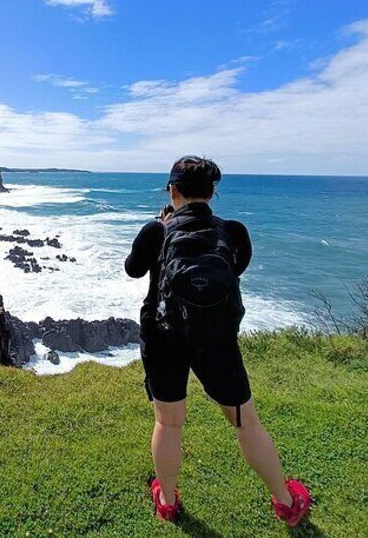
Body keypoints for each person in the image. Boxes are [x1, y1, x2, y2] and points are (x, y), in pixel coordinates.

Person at [124, 156, 311, 526]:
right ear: (212, 193)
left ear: (172, 190)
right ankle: (286, 501)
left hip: (164, 337)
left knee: (169, 423)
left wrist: (161, 229)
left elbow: (133, 269)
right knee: (247, 424)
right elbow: (235, 270)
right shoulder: (233, 231)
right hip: (217, 340)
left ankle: (167, 499)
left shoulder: (155, 231)